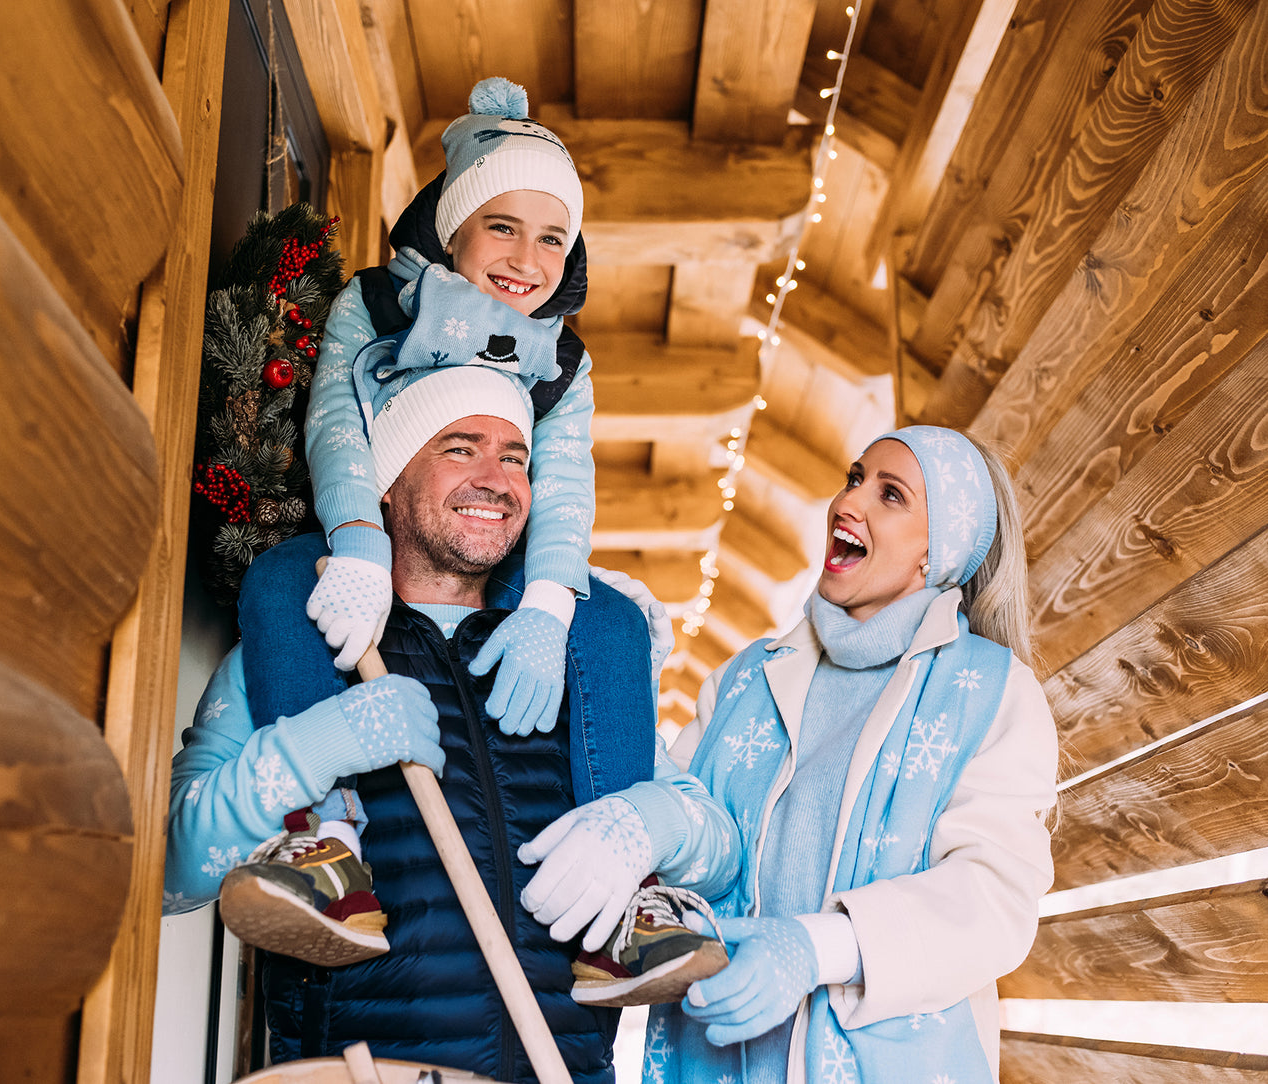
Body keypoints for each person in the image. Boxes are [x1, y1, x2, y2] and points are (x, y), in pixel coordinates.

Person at [164, 364, 730, 1081]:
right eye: (459, 448)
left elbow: (718, 849)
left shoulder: (570, 660)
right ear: (387, 485)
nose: (495, 477)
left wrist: (646, 822)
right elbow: (170, 873)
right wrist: (317, 745)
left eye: (515, 457)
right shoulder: (292, 655)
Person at [521, 425, 1059, 1084]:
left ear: (935, 550)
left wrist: (817, 947)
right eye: (855, 477)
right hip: (718, 1055)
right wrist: (626, 682)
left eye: (890, 495)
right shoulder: (748, 678)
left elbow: (993, 900)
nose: (849, 502)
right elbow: (698, 853)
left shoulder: (987, 691)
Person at [304, 76, 596, 743]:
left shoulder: (562, 362)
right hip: (361, 523)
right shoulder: (381, 304)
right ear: (452, 227)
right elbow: (335, 423)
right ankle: (316, 813)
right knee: (278, 586)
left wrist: (549, 605)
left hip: (497, 547)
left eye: (553, 239)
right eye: (502, 228)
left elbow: (562, 485)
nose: (527, 259)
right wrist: (356, 542)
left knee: (603, 621)